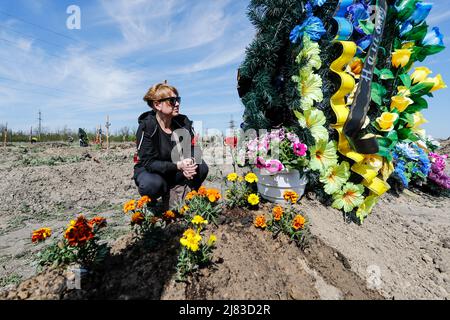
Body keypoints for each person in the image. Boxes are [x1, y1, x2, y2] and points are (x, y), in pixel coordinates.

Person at [133, 82, 208, 205]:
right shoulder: (147, 127)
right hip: (153, 171)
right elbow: (148, 162)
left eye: (178, 99)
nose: (177, 104)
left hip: (178, 168)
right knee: (151, 185)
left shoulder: (183, 122)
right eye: (172, 101)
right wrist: (178, 166)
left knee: (201, 166)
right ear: (157, 104)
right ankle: (152, 204)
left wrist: (190, 162)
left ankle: (188, 196)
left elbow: (192, 148)